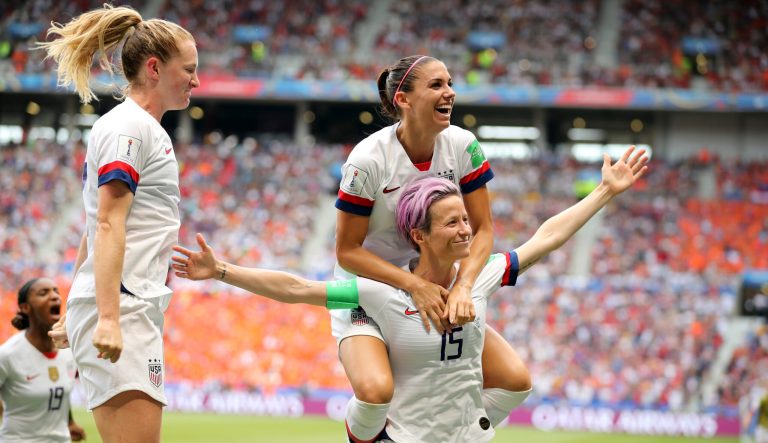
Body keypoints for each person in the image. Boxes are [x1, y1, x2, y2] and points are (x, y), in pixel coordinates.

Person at [171, 146, 649, 442]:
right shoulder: (381, 293)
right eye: (453, 223)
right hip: (404, 437)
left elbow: (543, 240)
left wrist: (604, 193)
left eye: (466, 219)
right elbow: (298, 288)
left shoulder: (475, 277)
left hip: (467, 438)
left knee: (517, 379)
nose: (467, 230)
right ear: (418, 236)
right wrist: (221, 271)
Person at [333, 54, 530, 437]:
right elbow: (347, 252)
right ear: (403, 100)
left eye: (451, 83)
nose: (450, 93)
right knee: (375, 392)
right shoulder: (367, 160)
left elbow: (484, 230)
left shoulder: (463, 145)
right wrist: (414, 286)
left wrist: (463, 286)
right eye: (437, 85)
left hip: (430, 284)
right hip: (366, 287)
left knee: (514, 379)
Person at [39, 4, 199, 442]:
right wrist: (106, 317)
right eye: (189, 69)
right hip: (124, 307)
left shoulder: (143, 129)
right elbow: (108, 224)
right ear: (154, 68)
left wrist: (78, 309)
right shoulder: (129, 128)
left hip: (130, 305)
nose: (196, 81)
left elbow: (94, 230)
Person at [0, 278, 85, 442]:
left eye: (56, 291)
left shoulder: (68, 350)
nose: (54, 296)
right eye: (43, 293)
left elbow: (59, 392)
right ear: (25, 308)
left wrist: (70, 422)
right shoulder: (7, 354)